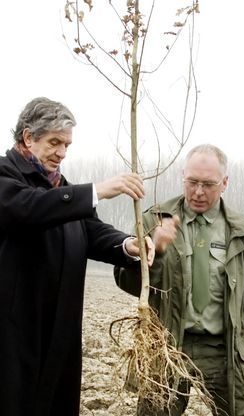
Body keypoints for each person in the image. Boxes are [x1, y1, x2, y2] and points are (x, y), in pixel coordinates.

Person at [0, 96, 155, 416]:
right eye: (55, 142)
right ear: (28, 138)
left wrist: (129, 245)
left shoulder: (59, 187)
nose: (62, 152)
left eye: (67, 145)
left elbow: (91, 231)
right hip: (14, 332)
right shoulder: (6, 180)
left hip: (60, 329)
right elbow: (30, 209)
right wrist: (96, 191)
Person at [114, 144, 244, 416]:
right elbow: (126, 281)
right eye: (192, 182)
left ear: (225, 183)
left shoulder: (242, 233)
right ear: (183, 177)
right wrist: (152, 251)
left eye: (208, 184)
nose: (198, 192)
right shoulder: (154, 221)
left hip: (224, 351)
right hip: (167, 347)